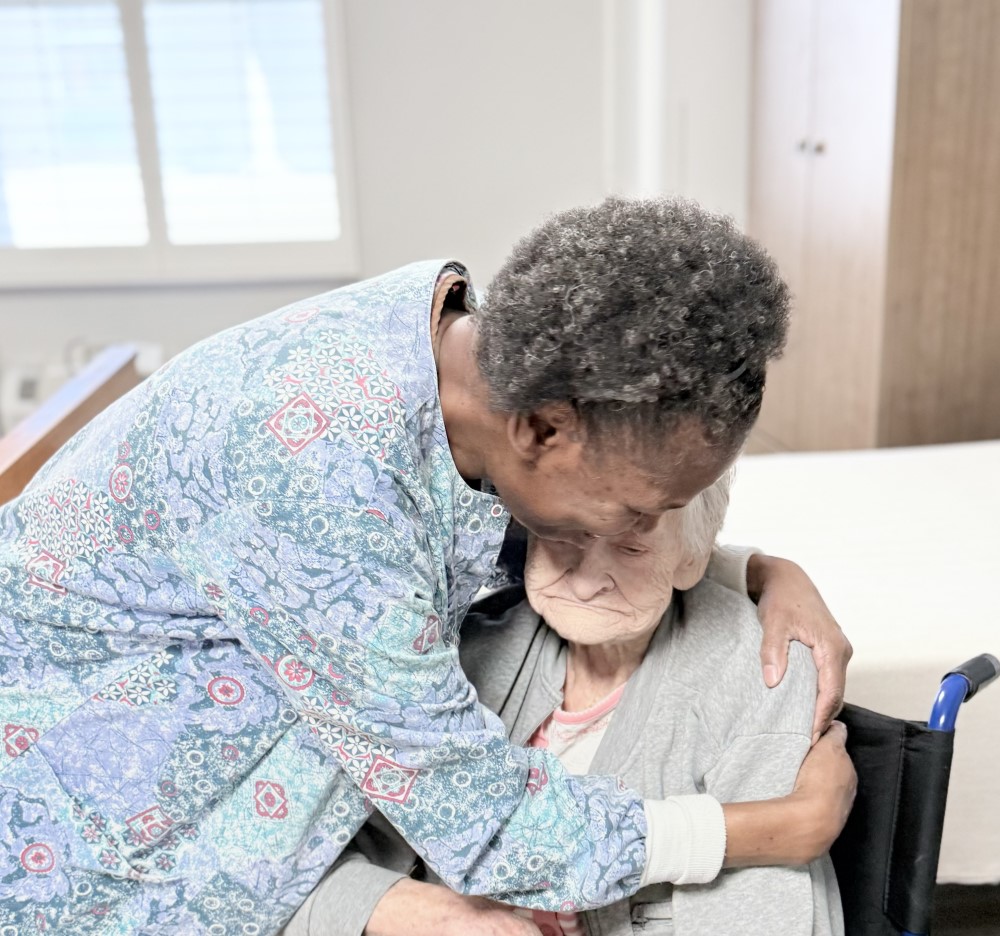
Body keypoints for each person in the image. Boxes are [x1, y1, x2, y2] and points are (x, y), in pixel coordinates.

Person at [0, 197, 852, 934]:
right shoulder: (317, 483)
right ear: (544, 431)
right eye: (638, 512)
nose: (643, 529)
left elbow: (459, 533)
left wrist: (744, 567)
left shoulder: (451, 338)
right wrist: (773, 829)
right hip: (72, 803)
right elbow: (487, 826)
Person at [286, 469, 850, 936]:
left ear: (692, 558)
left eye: (630, 546)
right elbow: (285, 875)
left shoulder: (760, 670)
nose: (586, 582)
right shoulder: (455, 651)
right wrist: (424, 911)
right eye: (562, 536)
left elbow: (760, 914)